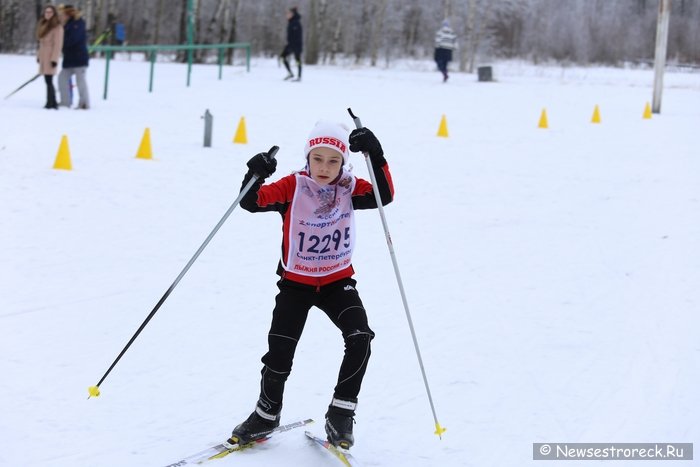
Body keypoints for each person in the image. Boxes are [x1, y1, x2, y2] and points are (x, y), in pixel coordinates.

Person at [226, 121, 394, 450]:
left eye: (333, 161)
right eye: (317, 159)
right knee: (279, 354)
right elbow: (251, 201)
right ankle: (266, 415)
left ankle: (341, 413)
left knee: (361, 338)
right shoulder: (293, 186)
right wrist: (255, 173)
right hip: (296, 284)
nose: (324, 168)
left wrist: (375, 154)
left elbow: (383, 195)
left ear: (343, 162)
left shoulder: (349, 187)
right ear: (308, 158)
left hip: (337, 282)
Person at [58, 4, 90, 109]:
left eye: (62, 14)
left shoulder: (77, 24)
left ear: (68, 14)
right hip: (69, 59)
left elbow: (72, 40)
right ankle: (65, 102)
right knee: (62, 78)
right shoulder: (65, 25)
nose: (60, 17)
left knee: (80, 81)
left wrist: (59, 44)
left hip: (79, 58)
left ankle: (84, 103)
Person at [36, 4, 64, 109]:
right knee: (47, 80)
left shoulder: (57, 27)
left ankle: (52, 102)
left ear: (54, 14)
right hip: (44, 55)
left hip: (50, 56)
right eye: (46, 12)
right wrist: (39, 56)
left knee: (49, 80)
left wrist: (54, 59)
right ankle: (51, 101)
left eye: (50, 12)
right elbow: (41, 43)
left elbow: (58, 44)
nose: (48, 14)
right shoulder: (43, 24)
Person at [280, 7, 303, 81]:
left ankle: (299, 76)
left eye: (289, 14)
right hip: (291, 44)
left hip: (296, 45)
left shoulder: (295, 23)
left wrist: (293, 45)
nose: (287, 15)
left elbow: (297, 36)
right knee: (282, 57)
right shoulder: (291, 22)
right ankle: (290, 73)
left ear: (293, 14)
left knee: (297, 59)